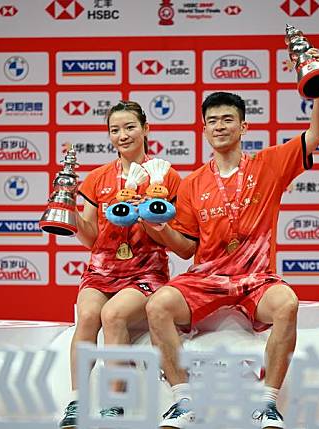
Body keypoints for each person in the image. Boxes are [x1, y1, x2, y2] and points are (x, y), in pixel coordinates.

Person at [141, 57, 319, 428]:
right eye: (212, 121)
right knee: (158, 305)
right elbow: (186, 248)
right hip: (207, 278)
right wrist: (158, 228)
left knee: (287, 304)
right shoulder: (193, 182)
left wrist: (318, 90)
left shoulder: (270, 163)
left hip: (256, 279)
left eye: (227, 119)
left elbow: (318, 132)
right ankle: (183, 400)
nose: (219, 126)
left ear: (244, 125)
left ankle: (268, 402)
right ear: (204, 129)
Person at [59, 100, 181, 429]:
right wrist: (69, 211)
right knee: (87, 315)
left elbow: (175, 233)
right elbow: (89, 238)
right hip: (101, 270)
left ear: (146, 129)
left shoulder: (165, 176)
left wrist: (150, 214)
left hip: (146, 271)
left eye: (129, 127)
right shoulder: (97, 179)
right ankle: (76, 402)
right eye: (115, 130)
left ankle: (115, 405)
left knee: (112, 315)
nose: (122, 135)